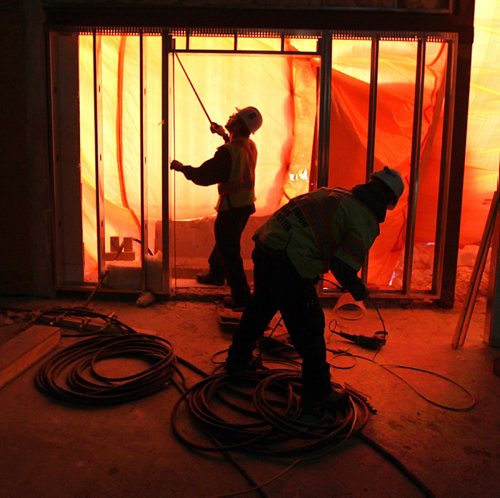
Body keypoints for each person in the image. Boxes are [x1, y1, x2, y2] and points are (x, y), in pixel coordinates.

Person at [224, 167, 405, 410]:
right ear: (390, 203)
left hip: (268, 243)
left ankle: (238, 360)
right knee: (310, 326)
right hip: (289, 258)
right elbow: (343, 265)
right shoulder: (364, 219)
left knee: (262, 305)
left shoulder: (338, 194)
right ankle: (318, 392)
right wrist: (358, 289)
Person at [170, 106, 263, 310]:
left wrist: (182, 168)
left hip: (231, 207)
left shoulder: (228, 152)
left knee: (230, 251)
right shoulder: (249, 145)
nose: (230, 117)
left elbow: (205, 175)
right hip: (245, 205)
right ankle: (216, 274)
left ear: (239, 125)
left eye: (235, 117)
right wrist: (223, 134)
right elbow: (233, 151)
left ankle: (242, 298)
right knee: (225, 242)